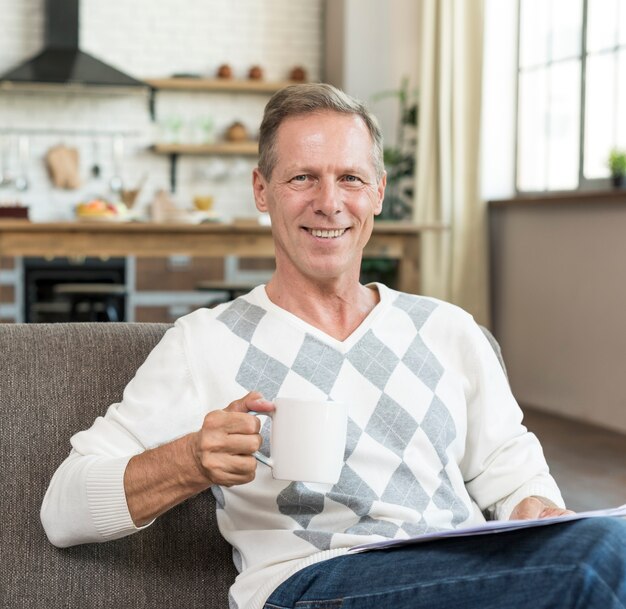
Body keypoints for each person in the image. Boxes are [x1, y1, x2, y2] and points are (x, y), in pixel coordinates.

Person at [41, 83, 626, 609]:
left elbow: (511, 472)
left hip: (466, 568)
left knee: (603, 547)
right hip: (315, 583)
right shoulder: (205, 341)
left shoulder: (448, 329)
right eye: (302, 178)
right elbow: (61, 510)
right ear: (262, 191)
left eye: (349, 177)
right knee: (604, 554)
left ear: (377, 193)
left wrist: (536, 510)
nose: (329, 202)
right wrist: (189, 459)